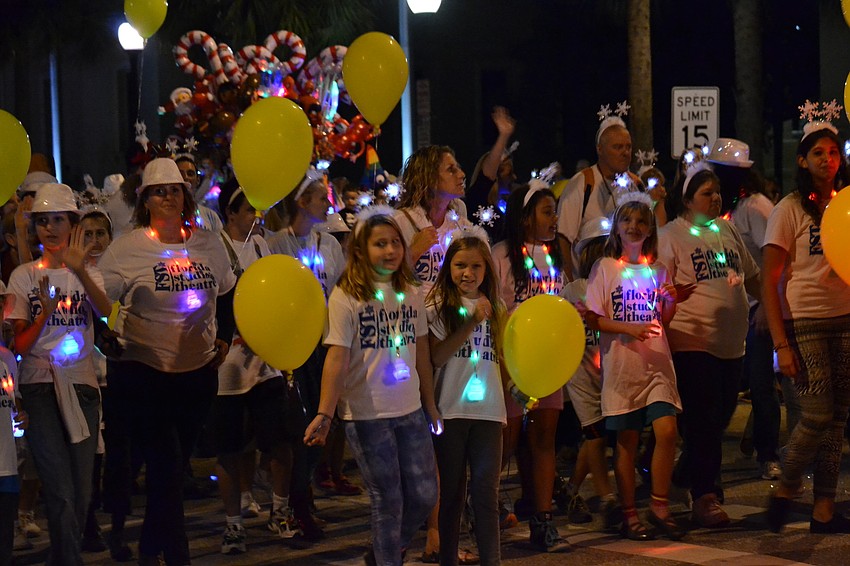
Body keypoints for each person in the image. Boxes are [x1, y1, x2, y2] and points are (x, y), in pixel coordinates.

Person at [97, 158, 236, 565]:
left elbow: (228, 290)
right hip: (145, 374)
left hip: (196, 375)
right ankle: (177, 555)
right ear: (144, 200)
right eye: (159, 190)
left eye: (175, 189)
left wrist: (225, 335)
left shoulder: (209, 243)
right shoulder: (126, 248)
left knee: (173, 470)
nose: (169, 196)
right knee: (165, 465)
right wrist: (105, 333)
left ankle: (148, 549)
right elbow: (99, 301)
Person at [303, 206, 439, 566]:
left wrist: (431, 403)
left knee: (425, 495)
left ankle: (385, 552)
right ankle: (388, 557)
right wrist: (325, 413)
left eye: (396, 242)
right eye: (381, 244)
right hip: (367, 415)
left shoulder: (411, 290)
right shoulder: (346, 296)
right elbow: (336, 359)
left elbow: (421, 350)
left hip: (410, 410)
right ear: (361, 250)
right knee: (388, 498)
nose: (391, 250)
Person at [7, 183, 111, 565]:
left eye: (58, 220)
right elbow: (18, 345)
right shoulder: (22, 276)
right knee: (60, 490)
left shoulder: (88, 272)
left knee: (82, 493)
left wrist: (80, 269)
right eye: (42, 221)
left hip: (82, 387)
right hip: (39, 387)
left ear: (73, 224)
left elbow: (106, 313)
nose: (50, 228)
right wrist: (45, 312)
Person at [658, 163, 760, 528]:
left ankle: (683, 476)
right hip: (692, 340)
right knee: (703, 420)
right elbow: (659, 289)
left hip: (733, 345)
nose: (715, 198)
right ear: (686, 199)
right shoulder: (671, 235)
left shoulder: (728, 229)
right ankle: (705, 495)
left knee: (720, 418)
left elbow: (752, 276)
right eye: (706, 192)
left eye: (717, 191)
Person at [763, 114, 850, 534]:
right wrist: (782, 343)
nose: (827, 160)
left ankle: (824, 509)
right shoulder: (788, 210)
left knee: (837, 418)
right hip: (806, 322)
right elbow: (769, 280)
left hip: (846, 320)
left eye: (833, 152)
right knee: (815, 415)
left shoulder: (846, 204)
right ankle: (785, 486)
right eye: (817, 153)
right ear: (802, 160)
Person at [584, 195, 684, 541]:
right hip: (623, 368)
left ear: (650, 229)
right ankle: (629, 514)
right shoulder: (606, 268)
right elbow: (595, 318)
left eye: (642, 221)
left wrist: (669, 300)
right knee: (626, 441)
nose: (634, 227)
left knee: (667, 431)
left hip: (657, 363)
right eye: (627, 220)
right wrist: (629, 329)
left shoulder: (658, 269)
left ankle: (659, 505)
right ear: (617, 226)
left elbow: (664, 319)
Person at [210, 179, 301, 554]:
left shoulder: (263, 245)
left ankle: (280, 510)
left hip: (265, 362)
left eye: (258, 211)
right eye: (248, 210)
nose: (255, 217)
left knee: (280, 441)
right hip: (227, 367)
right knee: (230, 449)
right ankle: (233, 525)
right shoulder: (216, 249)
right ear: (230, 213)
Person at [268, 171, 347, 541]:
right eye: (319, 197)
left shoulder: (328, 244)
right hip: (291, 350)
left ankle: (305, 498)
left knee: (325, 421)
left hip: (325, 343)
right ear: (301, 202)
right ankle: (296, 505)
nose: (327, 202)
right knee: (301, 427)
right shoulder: (275, 243)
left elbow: (342, 289)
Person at [492, 183, 570, 552]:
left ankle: (543, 520)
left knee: (544, 440)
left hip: (547, 367)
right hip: (509, 364)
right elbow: (495, 316)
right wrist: (507, 372)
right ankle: (483, 506)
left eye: (555, 211)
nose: (554, 219)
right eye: (546, 211)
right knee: (503, 442)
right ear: (525, 217)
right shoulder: (500, 257)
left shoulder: (553, 259)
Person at [426, 226, 507, 566]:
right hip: (451, 410)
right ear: (449, 268)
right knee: (452, 494)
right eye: (460, 265)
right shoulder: (439, 306)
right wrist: (472, 322)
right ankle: (448, 559)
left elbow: (502, 356)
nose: (467, 273)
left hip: (490, 411)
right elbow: (437, 357)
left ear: (486, 270)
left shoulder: (498, 307)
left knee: (486, 492)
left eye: (475, 266)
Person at [558, 217, 621, 528]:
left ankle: (570, 490)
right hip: (581, 373)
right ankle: (607, 496)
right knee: (595, 434)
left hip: (608, 370)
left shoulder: (614, 284)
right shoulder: (573, 290)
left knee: (593, 436)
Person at [730, 169, 782, 480]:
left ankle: (768, 453)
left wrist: (766, 303)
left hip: (757, 308)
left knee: (763, 383)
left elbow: (772, 256)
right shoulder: (731, 209)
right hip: (734, 310)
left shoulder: (755, 207)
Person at [557, 104, 638, 278]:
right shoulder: (583, 183)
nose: (625, 152)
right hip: (588, 284)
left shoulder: (636, 185)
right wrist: (571, 283)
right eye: (617, 147)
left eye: (628, 147)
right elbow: (564, 237)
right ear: (600, 149)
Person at [395, 145, 470, 296]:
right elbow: (382, 278)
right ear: (429, 178)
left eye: (459, 168)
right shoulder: (400, 221)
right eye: (451, 169)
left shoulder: (459, 223)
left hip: (450, 314)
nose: (461, 174)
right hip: (413, 313)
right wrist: (414, 252)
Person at [0, 281, 25, 565]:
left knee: (3, 542)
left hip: (6, 466)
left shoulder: (7, 358)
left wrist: (21, 414)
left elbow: (13, 399)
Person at [466, 107, 518, 242]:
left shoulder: (505, 204)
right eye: (509, 172)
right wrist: (504, 136)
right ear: (496, 174)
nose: (514, 177)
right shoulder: (477, 198)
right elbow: (488, 173)